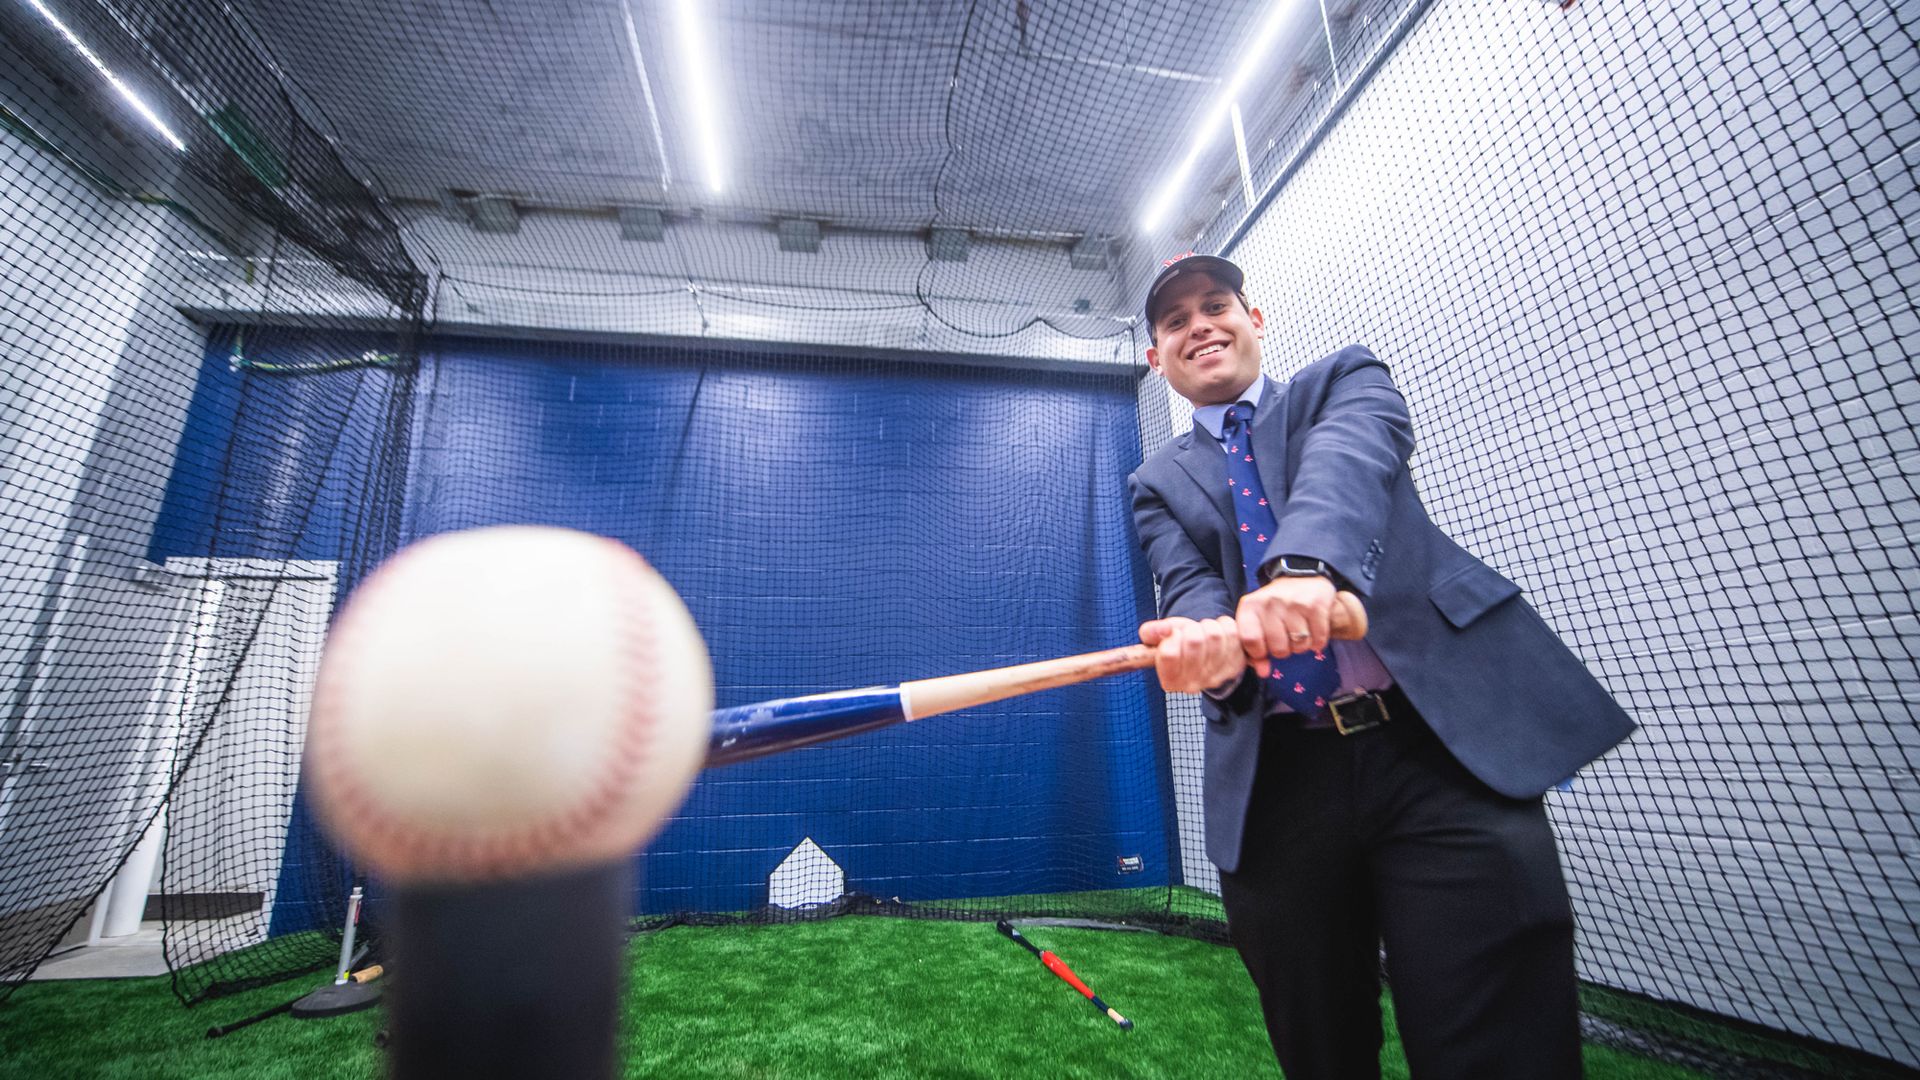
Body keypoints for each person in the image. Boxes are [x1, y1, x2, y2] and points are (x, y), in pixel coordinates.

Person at [1128, 253, 1634, 1079]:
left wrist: (1301, 571)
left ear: (1255, 320)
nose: (1201, 326)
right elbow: (1186, 585)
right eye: (1176, 322)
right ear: (1158, 359)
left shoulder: (1343, 383)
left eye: (1216, 305)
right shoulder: (1155, 480)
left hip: (1437, 752)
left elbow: (1348, 473)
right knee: (1319, 1047)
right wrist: (1205, 647)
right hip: (1278, 782)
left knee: (1504, 1048)